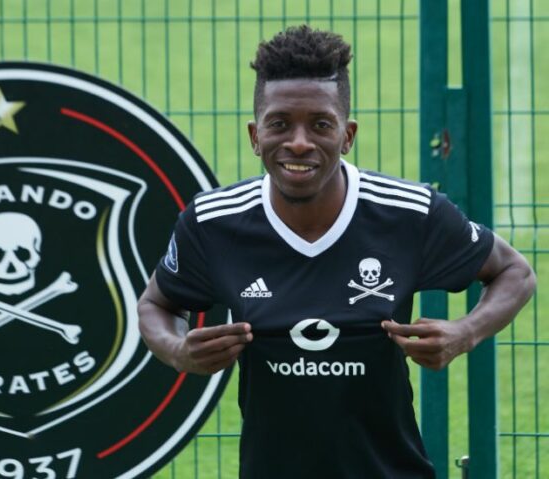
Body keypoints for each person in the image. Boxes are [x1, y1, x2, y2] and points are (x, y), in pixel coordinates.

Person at [137, 25, 536, 478]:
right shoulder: (214, 223)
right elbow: (156, 304)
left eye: (320, 124)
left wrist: (465, 332)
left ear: (347, 135)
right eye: (279, 124)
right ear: (255, 135)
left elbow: (514, 272)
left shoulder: (409, 214)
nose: (299, 142)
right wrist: (179, 351)